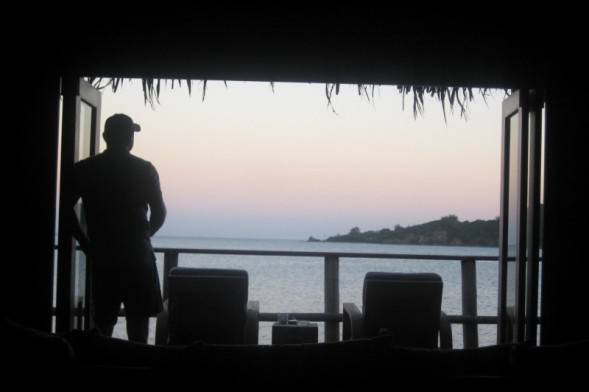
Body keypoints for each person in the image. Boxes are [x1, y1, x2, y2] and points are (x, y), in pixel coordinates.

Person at [70, 113, 166, 343]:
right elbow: (160, 213)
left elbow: (65, 211)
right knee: (139, 330)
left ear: (105, 136)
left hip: (104, 258)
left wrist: (86, 245)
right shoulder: (145, 169)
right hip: (138, 258)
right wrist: (144, 236)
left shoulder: (85, 169)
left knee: (102, 328)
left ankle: (105, 371)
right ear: (130, 138)